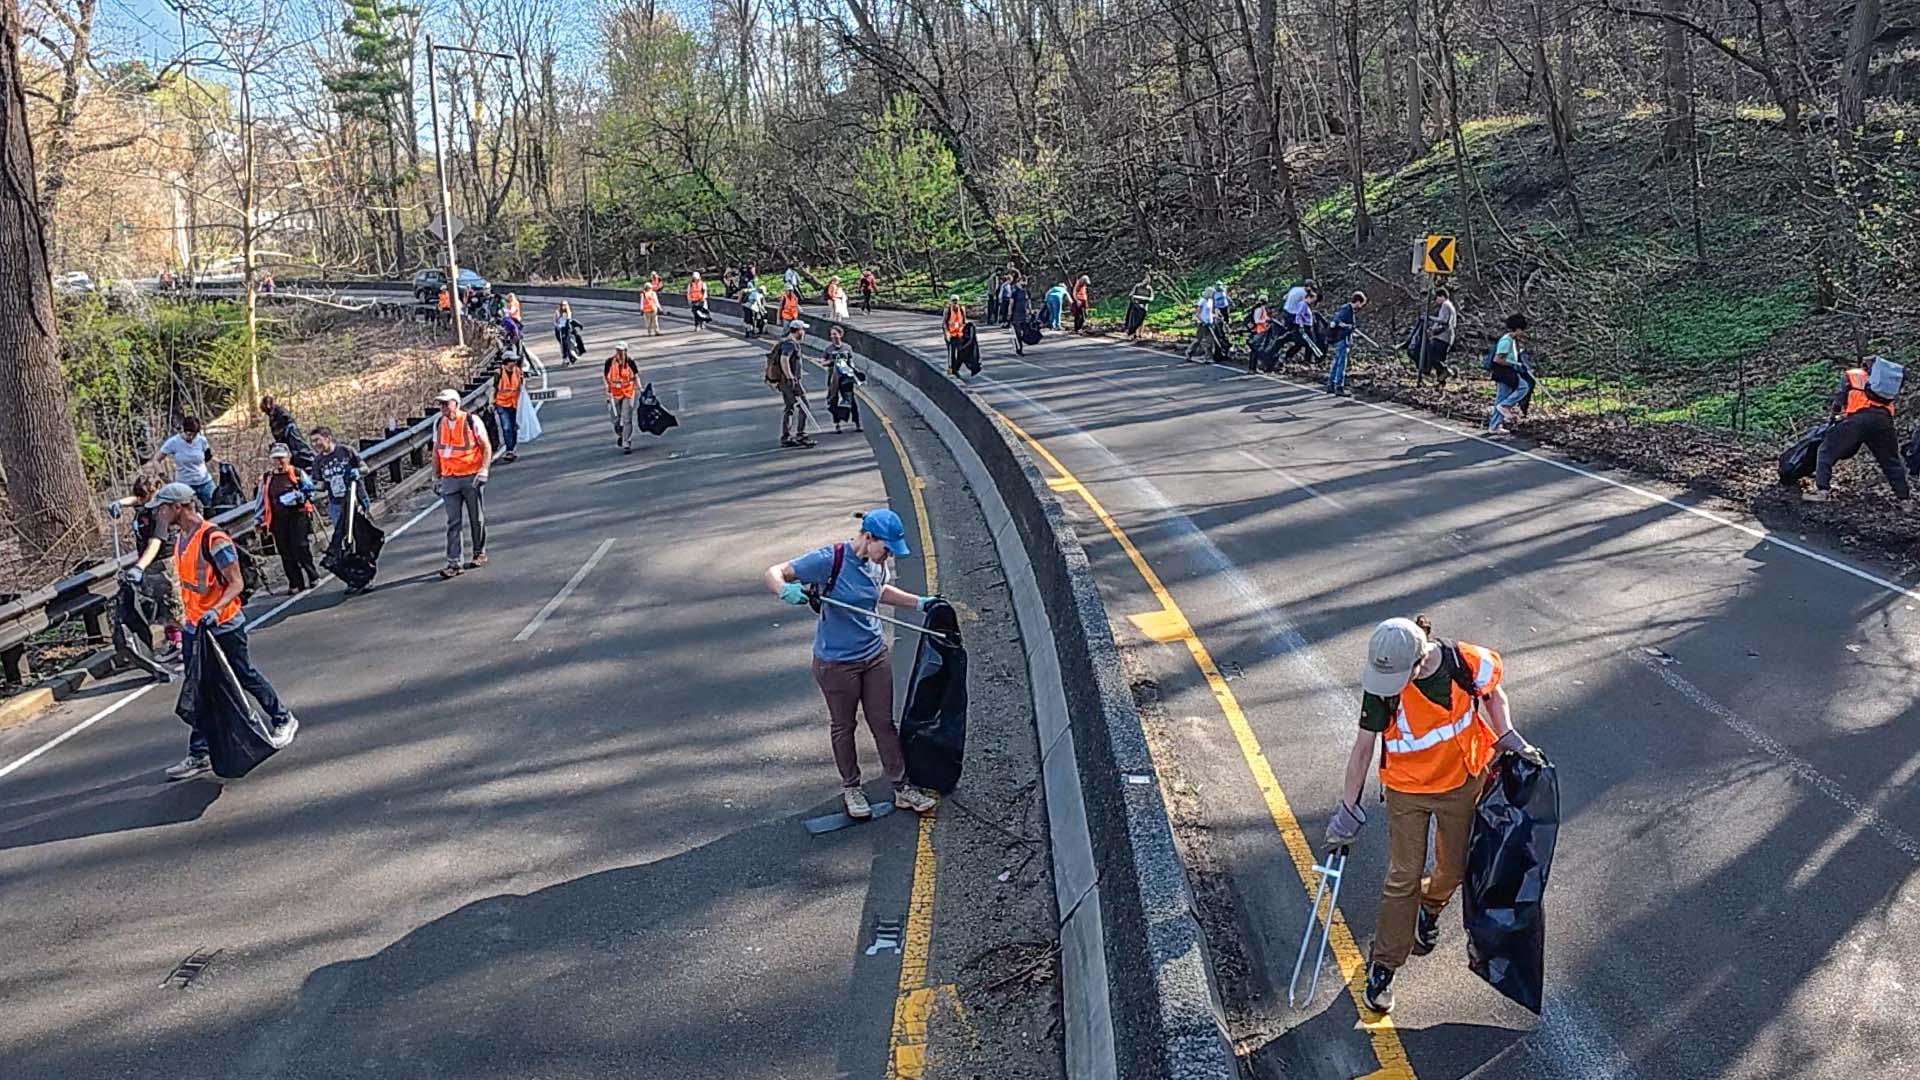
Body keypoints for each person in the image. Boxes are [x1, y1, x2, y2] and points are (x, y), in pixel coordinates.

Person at [1323, 615, 1542, 1015]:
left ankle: (1429, 907)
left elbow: (1494, 695)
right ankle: (1385, 965)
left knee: (1452, 871)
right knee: (1402, 876)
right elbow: (1362, 749)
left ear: (1420, 660)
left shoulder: (1466, 663)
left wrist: (1506, 733)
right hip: (1407, 790)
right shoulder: (1382, 688)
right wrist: (1348, 808)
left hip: (1461, 784)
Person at [763, 509, 940, 818]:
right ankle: (852, 788)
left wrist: (920, 603)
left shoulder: (876, 564)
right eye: (886, 549)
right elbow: (774, 572)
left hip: (874, 655)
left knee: (883, 724)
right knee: (844, 726)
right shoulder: (828, 560)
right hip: (837, 663)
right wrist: (784, 590)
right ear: (869, 538)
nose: (888, 557)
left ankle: (901, 787)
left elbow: (879, 591)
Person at [150, 481, 297, 782]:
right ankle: (200, 753)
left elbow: (236, 583)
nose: (159, 513)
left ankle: (282, 717)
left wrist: (214, 611)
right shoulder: (180, 540)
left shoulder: (213, 538)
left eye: (163, 507)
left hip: (224, 624)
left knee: (243, 675)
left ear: (178, 507)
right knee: (199, 687)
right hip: (196, 627)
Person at [1809, 355, 1911, 502]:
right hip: (1883, 421)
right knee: (1891, 461)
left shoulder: (1852, 375)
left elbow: (1839, 400)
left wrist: (1834, 417)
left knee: (1826, 451)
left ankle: (1822, 491)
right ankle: (1905, 500)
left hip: (1857, 420)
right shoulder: (1884, 384)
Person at [114, 475, 185, 662]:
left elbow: (156, 542)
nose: (141, 501)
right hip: (150, 566)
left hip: (164, 563)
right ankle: (173, 642)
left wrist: (139, 566)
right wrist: (120, 503)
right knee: (161, 609)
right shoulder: (144, 506)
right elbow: (135, 499)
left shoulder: (160, 512)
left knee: (174, 606)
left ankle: (187, 643)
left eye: (144, 497)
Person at [432, 387, 491, 579]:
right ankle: (454, 563)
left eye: (446, 403)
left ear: (456, 404)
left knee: (476, 518)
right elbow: (436, 451)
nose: (443, 407)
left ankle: (479, 552)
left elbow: (486, 446)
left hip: (470, 476)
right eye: (440, 404)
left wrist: (483, 470)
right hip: (450, 479)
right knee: (453, 522)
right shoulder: (438, 424)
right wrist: (436, 476)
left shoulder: (471, 421)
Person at [259, 443, 319, 594]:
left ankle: (312, 575)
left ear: (288, 458)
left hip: (298, 515)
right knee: (285, 551)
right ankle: (295, 582)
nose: (278, 462)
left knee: (300, 546)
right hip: (278, 519)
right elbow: (261, 501)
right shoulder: (267, 478)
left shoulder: (297, 473)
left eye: (281, 458)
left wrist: (299, 496)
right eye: (275, 458)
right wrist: (258, 520)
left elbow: (311, 491)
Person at [310, 427, 368, 531]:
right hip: (336, 504)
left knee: (361, 532)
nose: (315, 444)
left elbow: (365, 469)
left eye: (317, 440)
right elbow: (321, 485)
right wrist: (310, 487)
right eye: (312, 442)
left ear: (328, 438)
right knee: (342, 535)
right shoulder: (317, 461)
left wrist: (357, 472)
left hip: (356, 499)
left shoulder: (346, 451)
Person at [152, 415, 217, 505]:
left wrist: (222, 465)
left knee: (215, 505)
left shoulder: (202, 441)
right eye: (188, 434)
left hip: (204, 482)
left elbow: (209, 458)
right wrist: (163, 476)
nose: (190, 437)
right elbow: (156, 459)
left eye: (193, 435)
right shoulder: (173, 442)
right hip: (185, 484)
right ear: (183, 430)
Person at [1486, 314, 1533, 435]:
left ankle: (1494, 426)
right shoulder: (1506, 341)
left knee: (1500, 398)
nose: (1523, 333)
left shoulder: (1511, 340)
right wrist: (1514, 364)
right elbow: (1497, 359)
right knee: (1523, 387)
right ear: (1517, 329)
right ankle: (1506, 406)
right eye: (1522, 330)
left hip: (1505, 372)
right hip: (1504, 372)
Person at [775, 319, 816, 449]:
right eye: (802, 330)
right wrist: (790, 377)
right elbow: (784, 359)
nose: (804, 333)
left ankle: (786, 437)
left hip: (785, 382)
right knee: (804, 406)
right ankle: (801, 434)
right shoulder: (790, 344)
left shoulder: (788, 343)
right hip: (791, 382)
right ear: (797, 331)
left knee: (790, 407)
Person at [259, 396, 316, 472]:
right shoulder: (272, 416)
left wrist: (283, 434)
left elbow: (286, 423)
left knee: (299, 450)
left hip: (290, 435)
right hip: (285, 441)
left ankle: (310, 464)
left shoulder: (279, 411)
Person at [824, 325, 863, 433]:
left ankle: (857, 423)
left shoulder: (847, 348)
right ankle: (837, 424)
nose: (833, 336)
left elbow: (851, 362)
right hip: (834, 379)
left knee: (851, 400)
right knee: (834, 400)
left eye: (835, 334)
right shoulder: (828, 349)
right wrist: (831, 362)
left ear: (840, 335)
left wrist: (855, 373)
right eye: (831, 334)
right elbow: (823, 361)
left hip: (846, 379)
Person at [1327, 291, 1367, 396]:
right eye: (1361, 304)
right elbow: (1336, 322)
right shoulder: (1346, 310)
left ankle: (1331, 385)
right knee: (1341, 363)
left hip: (1344, 338)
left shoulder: (1349, 310)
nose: (1361, 306)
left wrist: (1351, 331)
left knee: (1337, 362)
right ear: (1358, 301)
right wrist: (1348, 327)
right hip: (1342, 339)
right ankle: (1339, 386)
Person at [604, 342, 640, 455]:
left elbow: (636, 376)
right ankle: (620, 433)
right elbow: (605, 377)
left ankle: (626, 442)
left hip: (628, 392)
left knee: (627, 418)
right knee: (615, 418)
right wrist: (607, 390)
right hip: (614, 393)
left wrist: (640, 388)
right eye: (617, 350)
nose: (619, 353)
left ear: (625, 351)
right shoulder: (609, 362)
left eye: (621, 350)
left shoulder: (630, 362)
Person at [1420, 287, 1458, 385]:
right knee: (1440, 358)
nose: (1436, 301)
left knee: (1433, 358)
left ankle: (1448, 370)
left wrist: (1429, 318)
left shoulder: (1445, 305)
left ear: (1442, 296)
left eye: (1437, 298)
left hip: (1443, 337)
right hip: (1448, 337)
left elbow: (1443, 320)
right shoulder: (1451, 306)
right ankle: (1441, 381)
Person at [493, 353, 525, 462]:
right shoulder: (499, 373)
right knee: (506, 427)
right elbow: (494, 388)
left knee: (513, 427)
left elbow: (521, 386)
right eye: (512, 361)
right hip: (502, 403)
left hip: (514, 403)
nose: (515, 363)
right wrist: (491, 402)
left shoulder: (518, 371)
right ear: (507, 361)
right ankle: (509, 450)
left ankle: (513, 447)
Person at [1186, 287, 1219, 363]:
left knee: (1209, 341)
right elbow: (1197, 314)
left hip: (1209, 323)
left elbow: (1209, 312)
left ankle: (1208, 357)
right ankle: (1189, 352)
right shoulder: (1202, 301)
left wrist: (1214, 316)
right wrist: (1203, 321)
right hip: (1202, 323)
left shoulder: (1210, 301)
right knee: (1198, 340)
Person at [554, 301, 585, 365]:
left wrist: (577, 325)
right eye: (562, 305)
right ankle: (566, 358)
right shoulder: (557, 312)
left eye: (565, 305)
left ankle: (570, 357)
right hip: (559, 330)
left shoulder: (568, 312)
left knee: (568, 344)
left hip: (566, 330)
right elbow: (555, 321)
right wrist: (558, 326)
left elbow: (569, 321)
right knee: (563, 345)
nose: (563, 307)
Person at [944, 295, 968, 373]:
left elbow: (964, 321)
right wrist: (946, 333)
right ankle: (953, 368)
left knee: (961, 352)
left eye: (956, 301)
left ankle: (957, 367)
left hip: (960, 334)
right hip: (951, 335)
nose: (955, 302)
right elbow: (945, 322)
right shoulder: (948, 310)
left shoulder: (961, 309)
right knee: (952, 352)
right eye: (953, 301)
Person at [1125, 273, 1153, 339]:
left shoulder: (1149, 289)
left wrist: (1145, 300)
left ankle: (1140, 334)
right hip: (1135, 306)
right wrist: (1135, 299)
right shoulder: (1137, 287)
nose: (1145, 284)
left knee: (1141, 321)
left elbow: (1151, 298)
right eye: (1145, 282)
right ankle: (1133, 333)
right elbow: (1131, 295)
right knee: (1134, 320)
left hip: (1143, 307)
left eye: (1147, 283)